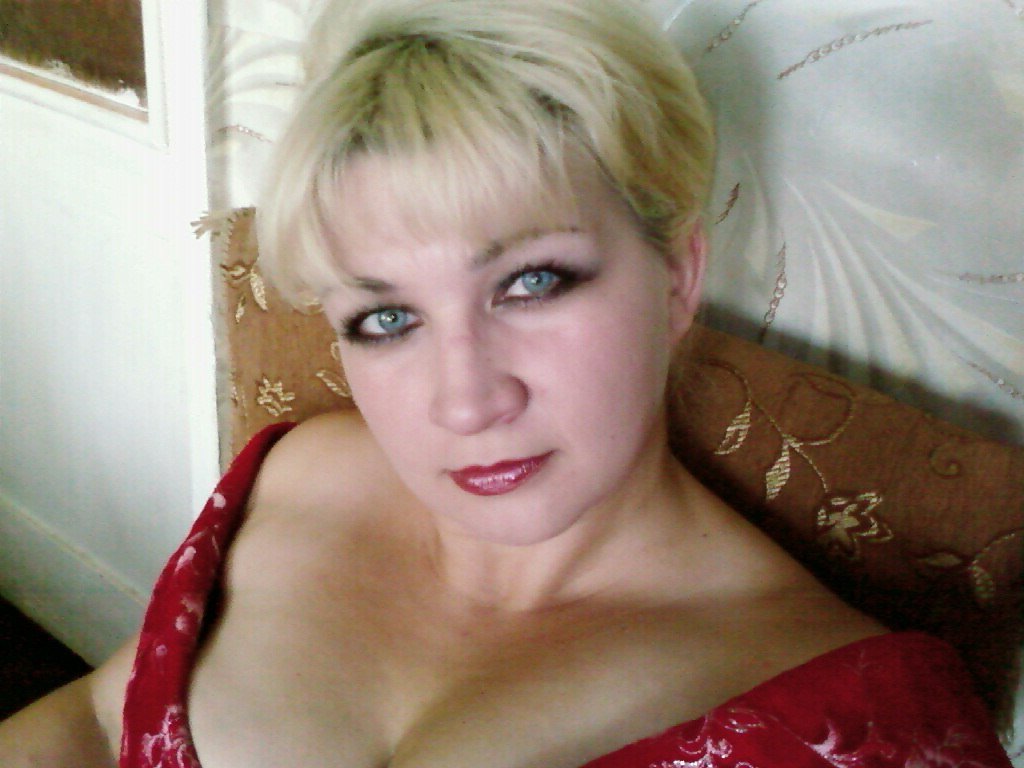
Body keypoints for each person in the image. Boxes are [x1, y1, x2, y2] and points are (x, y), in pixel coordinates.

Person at [0, 1, 1012, 766]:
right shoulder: (295, 477)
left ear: (676, 277)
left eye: (532, 282)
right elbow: (99, 719)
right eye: (387, 318)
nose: (467, 403)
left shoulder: (865, 721)